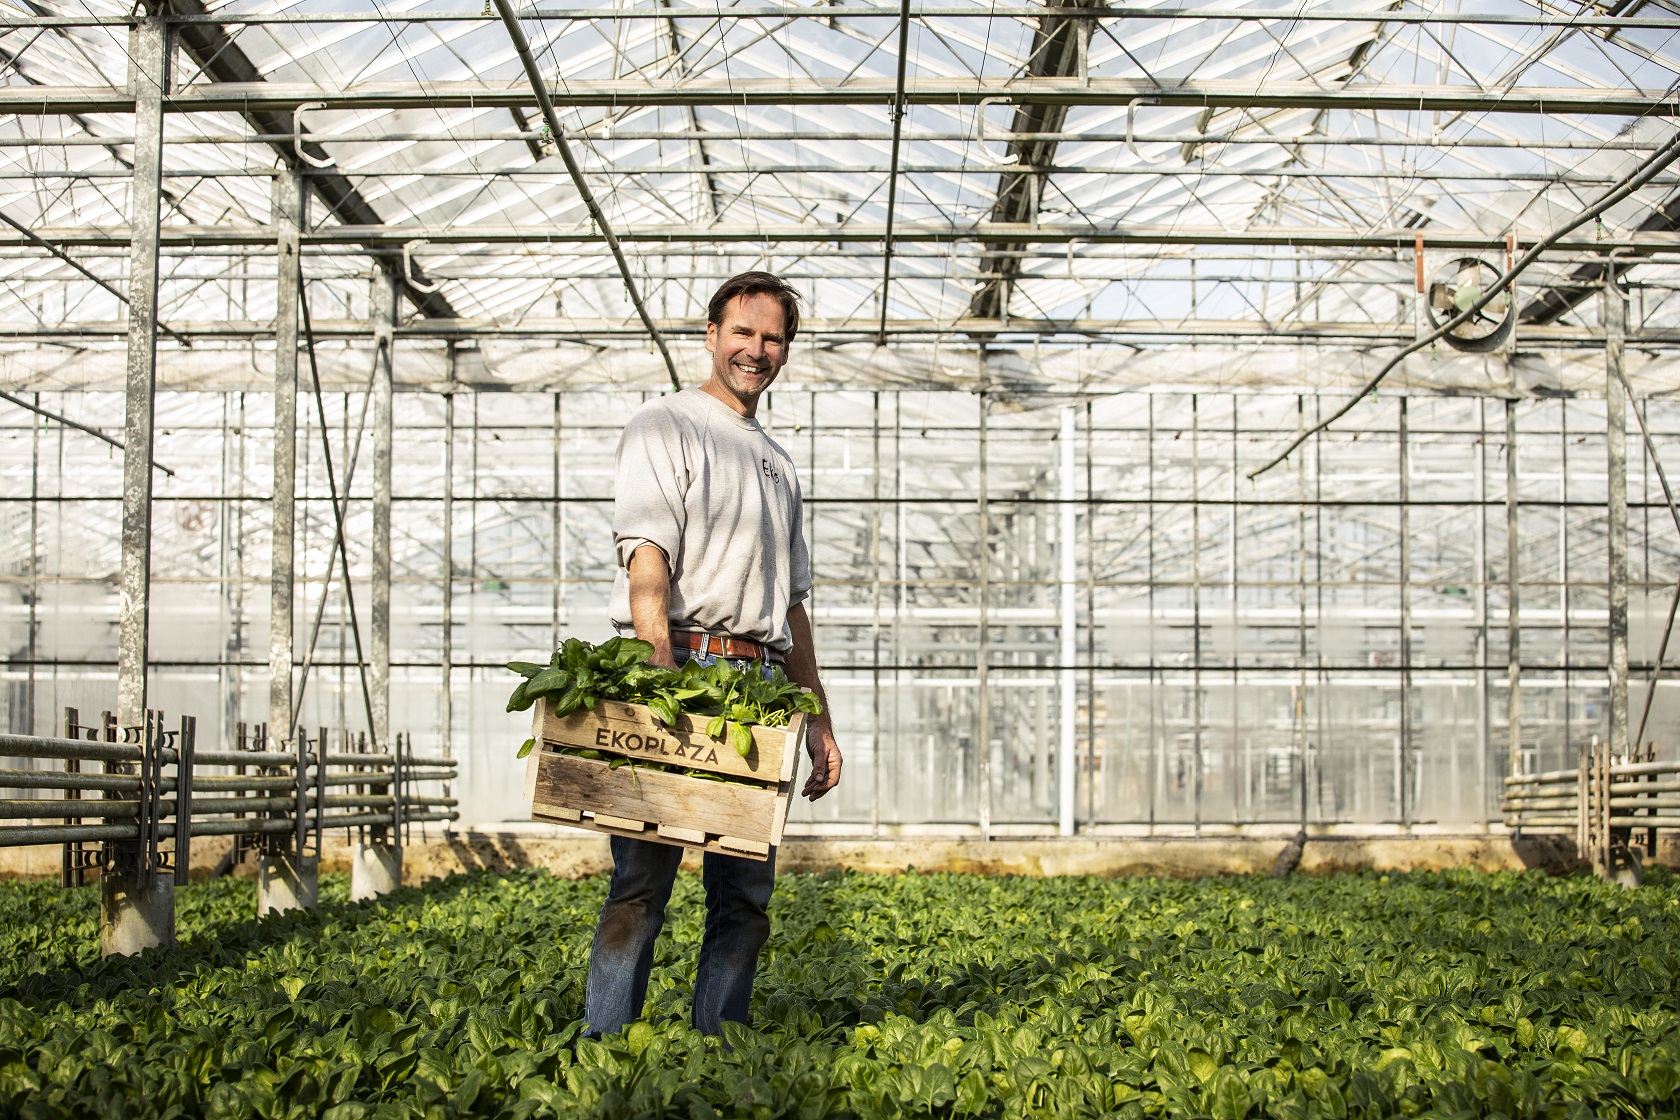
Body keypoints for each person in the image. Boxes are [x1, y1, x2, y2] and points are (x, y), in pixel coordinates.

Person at [582, 270, 843, 1038]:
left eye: (772, 338)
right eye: (743, 333)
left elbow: (791, 606)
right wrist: (657, 661)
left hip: (760, 684)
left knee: (745, 896)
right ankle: (604, 1048)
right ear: (710, 334)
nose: (755, 350)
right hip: (683, 667)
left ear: (786, 351)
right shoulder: (667, 424)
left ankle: (718, 1049)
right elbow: (648, 556)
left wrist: (818, 721)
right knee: (640, 885)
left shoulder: (779, 465)